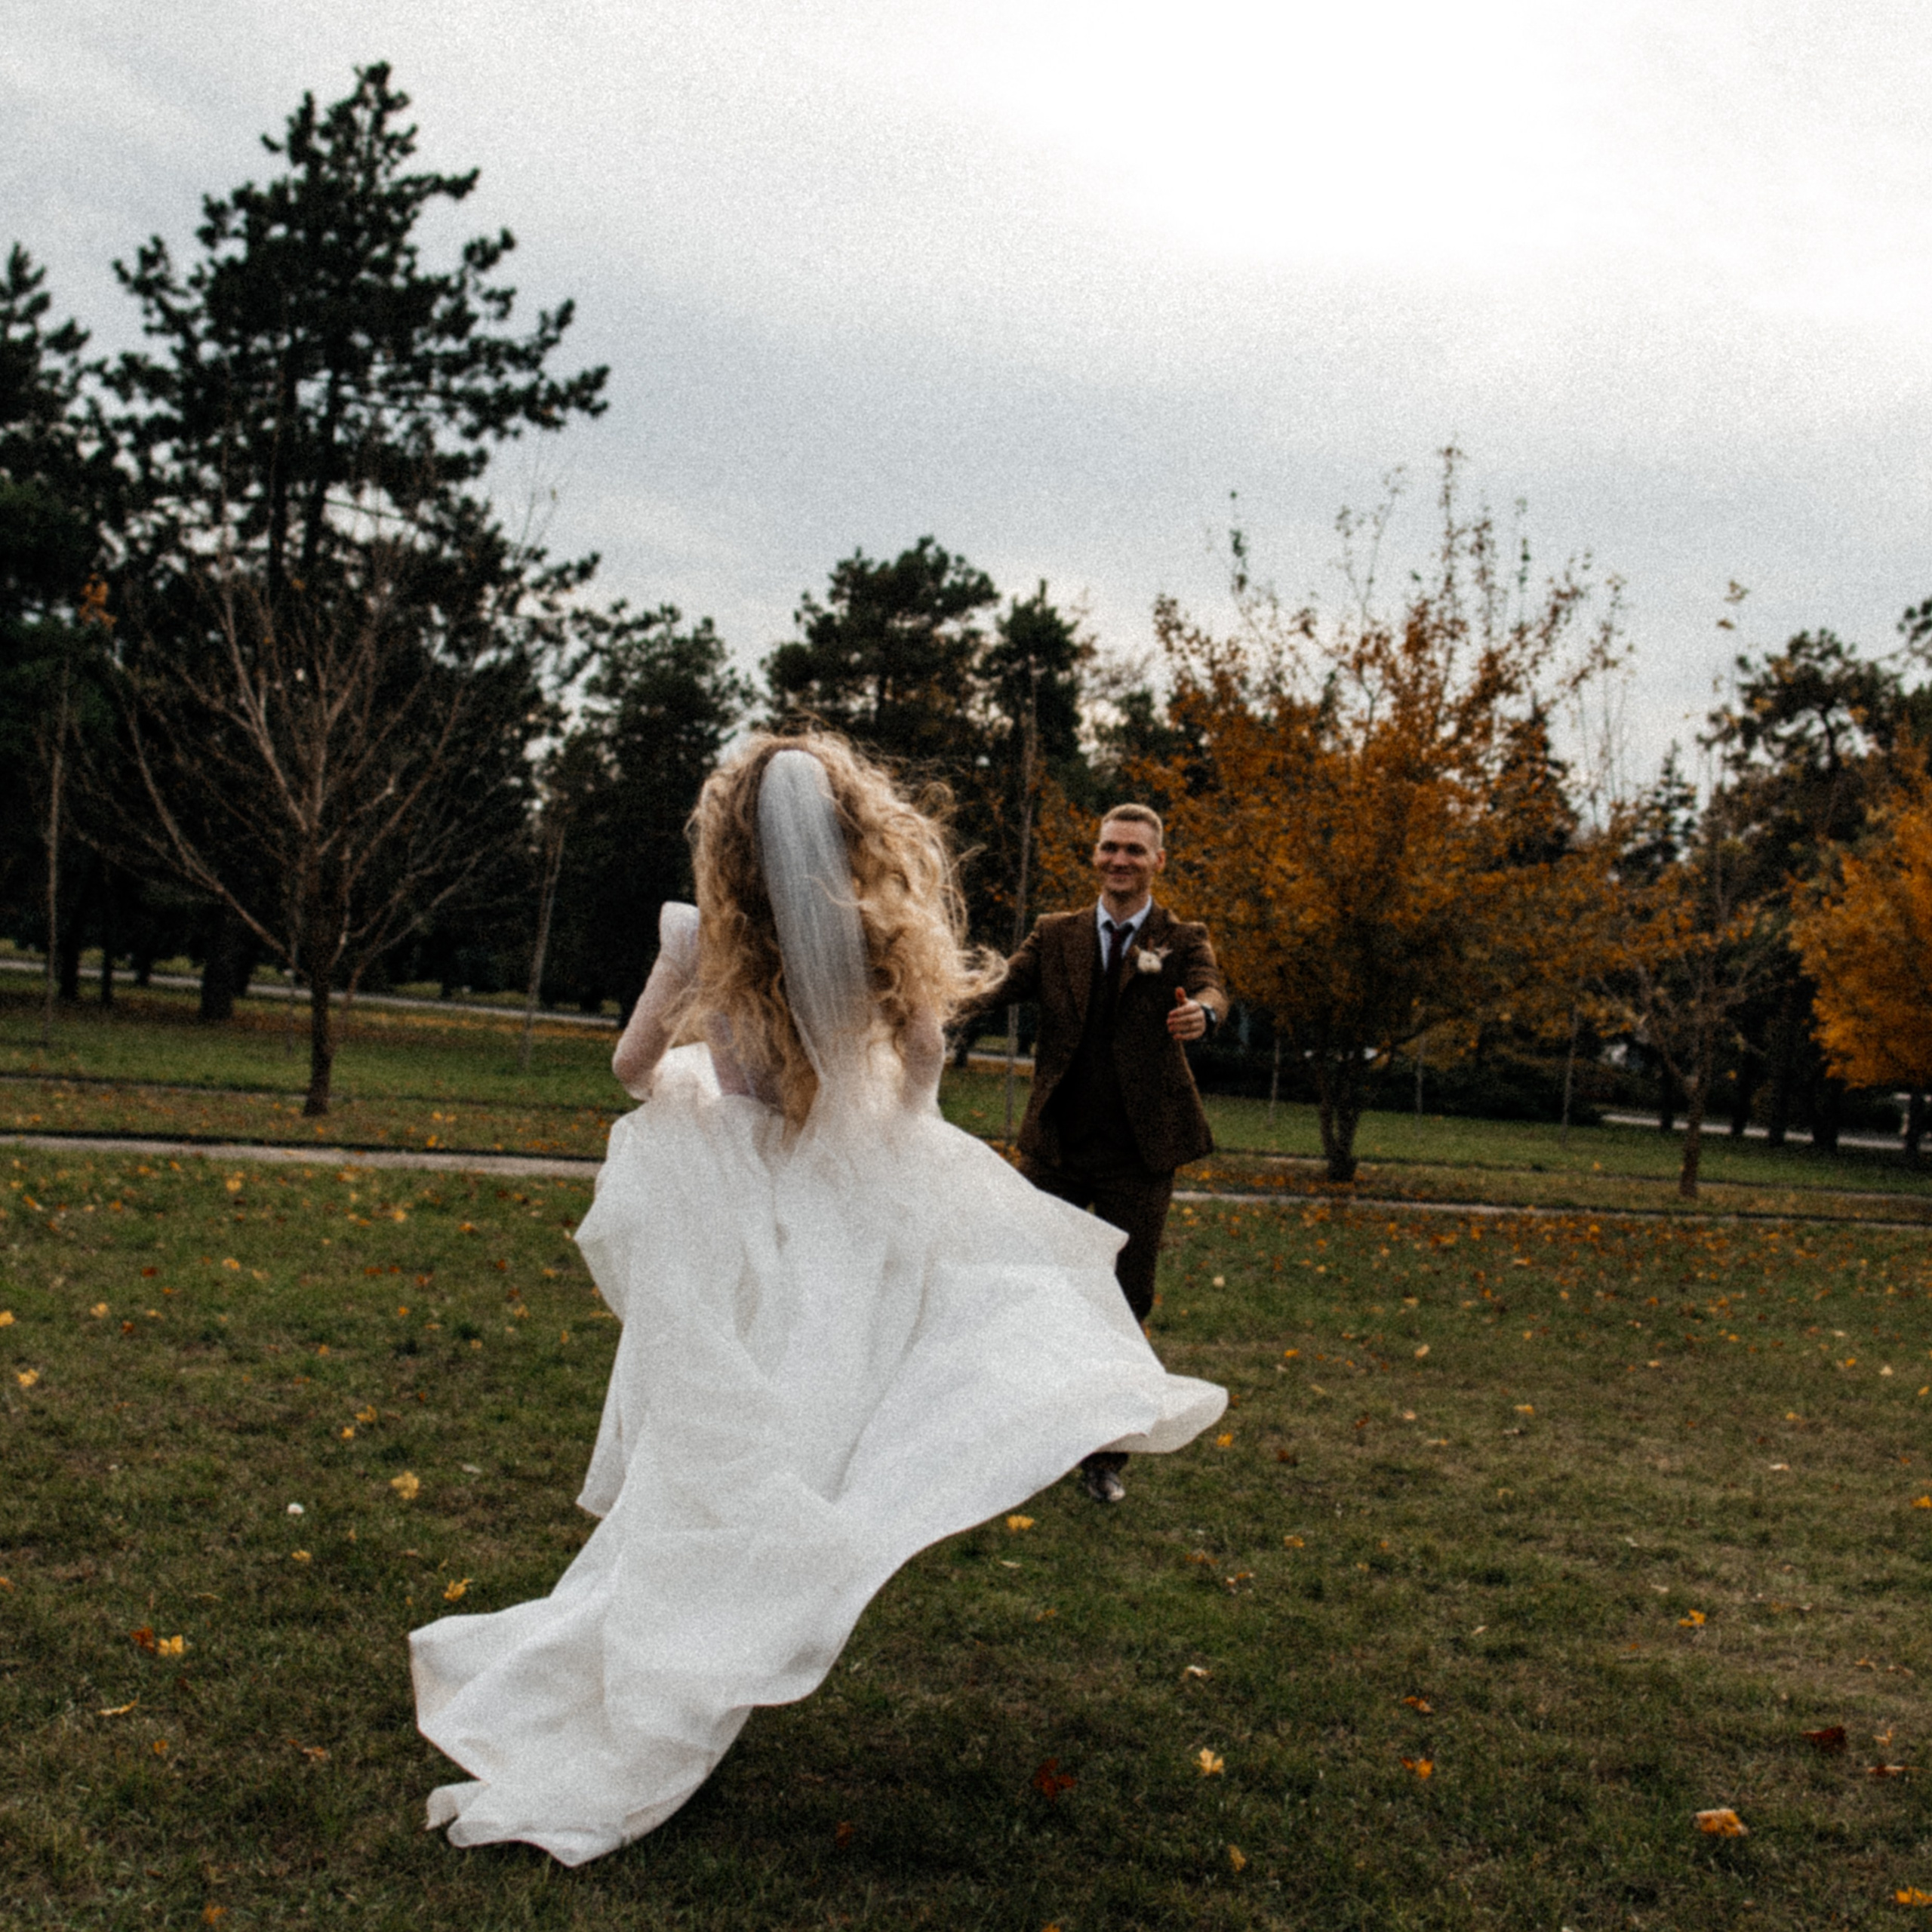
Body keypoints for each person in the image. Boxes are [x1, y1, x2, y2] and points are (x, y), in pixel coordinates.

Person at [408, 736, 1226, 1866]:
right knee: (834, 1428)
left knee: (716, 1448)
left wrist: (708, 1080)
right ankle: (740, 1615)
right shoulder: (882, 939)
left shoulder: (695, 940)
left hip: (742, 1225)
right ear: (850, 826)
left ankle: (671, 1636)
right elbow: (924, 1076)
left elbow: (633, 1070)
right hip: (850, 1220)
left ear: (730, 837)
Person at [978, 804, 1226, 1505]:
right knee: (1028, 1285)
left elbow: (1214, 989)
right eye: (1110, 849)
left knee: (1125, 1298)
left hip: (1139, 1154)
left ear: (1158, 862)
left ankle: (1105, 1457)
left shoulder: (1180, 940)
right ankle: (1022, 1434)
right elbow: (997, 988)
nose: (1121, 861)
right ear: (1095, 857)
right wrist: (922, 999)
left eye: (1135, 852)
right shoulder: (1055, 935)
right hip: (1056, 1146)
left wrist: (1203, 1014)